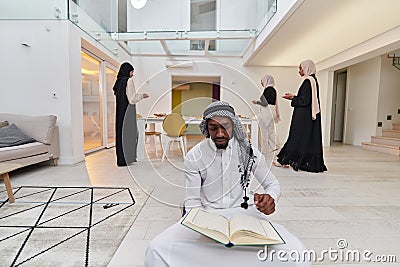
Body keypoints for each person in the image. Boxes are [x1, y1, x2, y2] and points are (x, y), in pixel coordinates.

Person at [145, 101, 310, 267]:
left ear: (234, 126)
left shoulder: (248, 151)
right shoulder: (194, 155)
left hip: (247, 214)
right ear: (206, 129)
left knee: (297, 252)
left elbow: (272, 184)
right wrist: (204, 228)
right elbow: (192, 203)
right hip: (207, 216)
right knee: (157, 248)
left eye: (225, 126)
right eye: (213, 128)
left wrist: (270, 198)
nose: (220, 133)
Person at [276, 60, 327, 172]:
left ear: (307, 68)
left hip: (303, 117)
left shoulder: (308, 81)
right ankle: (299, 162)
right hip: (308, 116)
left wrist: (293, 98)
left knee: (296, 136)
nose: (299, 71)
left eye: (301, 68)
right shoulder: (313, 81)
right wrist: (295, 96)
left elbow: (304, 101)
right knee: (304, 138)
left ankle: (284, 160)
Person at [113, 62, 149, 166]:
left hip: (120, 113)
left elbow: (125, 96)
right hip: (128, 113)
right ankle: (128, 158)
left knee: (121, 134)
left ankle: (122, 159)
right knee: (131, 135)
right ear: (128, 71)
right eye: (131, 72)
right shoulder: (128, 81)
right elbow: (132, 99)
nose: (132, 74)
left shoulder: (118, 83)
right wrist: (142, 96)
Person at [252, 74, 280, 154]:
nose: (261, 83)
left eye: (262, 81)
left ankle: (264, 149)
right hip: (272, 112)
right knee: (271, 131)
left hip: (267, 112)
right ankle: (275, 146)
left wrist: (257, 102)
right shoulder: (273, 90)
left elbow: (265, 103)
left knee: (263, 131)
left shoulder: (267, 90)